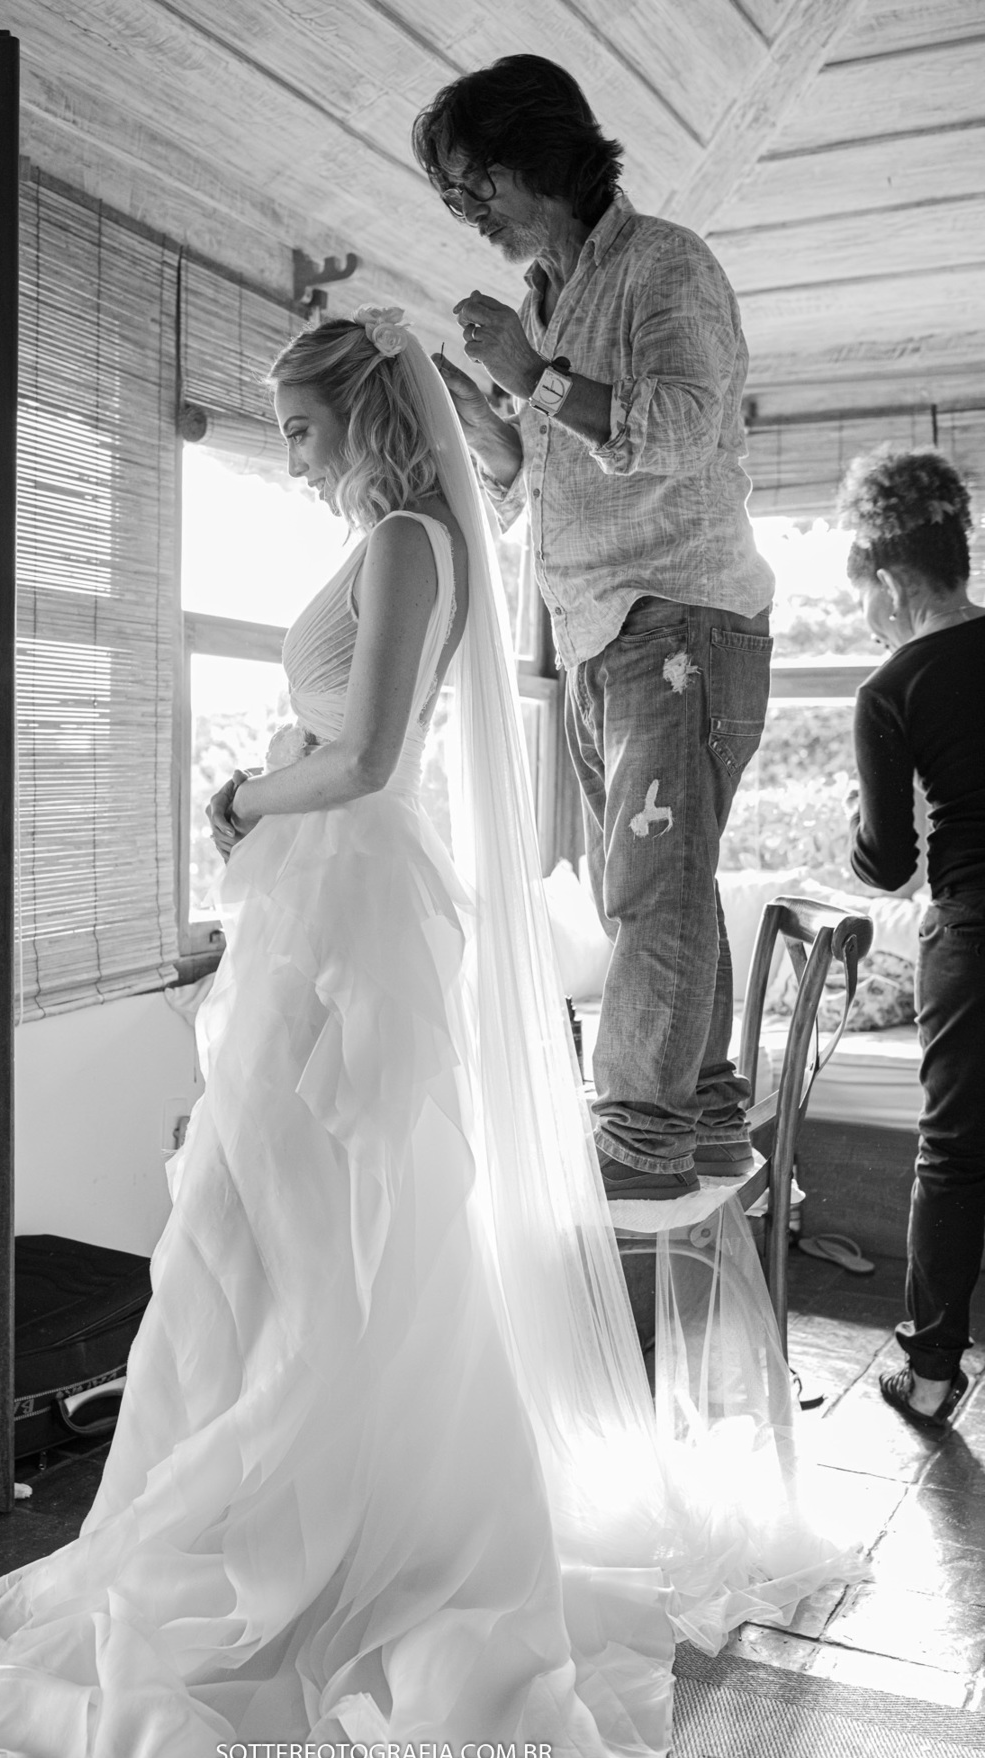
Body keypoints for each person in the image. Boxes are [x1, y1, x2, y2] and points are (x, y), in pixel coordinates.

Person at [0, 311, 853, 1758]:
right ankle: (266, 1517)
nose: (289, 459)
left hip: (348, 899)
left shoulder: (416, 538)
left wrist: (242, 794)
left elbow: (360, 757)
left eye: (299, 429)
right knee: (266, 1231)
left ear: (367, 417)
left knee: (335, 1230)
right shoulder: (395, 539)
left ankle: (336, 1539)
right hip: (321, 899)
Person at [412, 55, 775, 1201]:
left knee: (650, 887)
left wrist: (535, 373)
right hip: (595, 628)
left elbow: (671, 430)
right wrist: (491, 421)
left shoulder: (667, 266)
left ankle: (634, 1142)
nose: (469, 214)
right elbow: (538, 482)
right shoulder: (542, 302)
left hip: (682, 615)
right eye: (454, 199)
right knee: (670, 877)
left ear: (542, 154)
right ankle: (704, 1121)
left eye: (476, 186)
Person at [839, 447, 985, 1432]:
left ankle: (932, 1373)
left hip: (975, 929)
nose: (867, 617)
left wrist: (862, 814)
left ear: (892, 581)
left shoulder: (892, 688)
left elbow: (887, 865)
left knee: (956, 1151)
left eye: (865, 597)